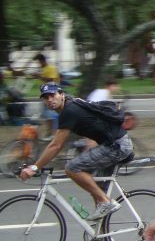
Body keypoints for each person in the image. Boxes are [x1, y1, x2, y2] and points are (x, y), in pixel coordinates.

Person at [19, 83, 132, 220]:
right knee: (97, 189)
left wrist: (34, 167)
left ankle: (106, 202)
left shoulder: (69, 111)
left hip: (116, 146)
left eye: (52, 95)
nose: (50, 100)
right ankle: (100, 231)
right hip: (113, 144)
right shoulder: (71, 104)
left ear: (61, 94)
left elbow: (56, 146)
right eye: (46, 97)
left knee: (72, 168)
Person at [36, 53, 61, 133]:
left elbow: (51, 80)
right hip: (45, 93)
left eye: (39, 62)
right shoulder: (44, 69)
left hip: (51, 93)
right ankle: (50, 132)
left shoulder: (51, 68)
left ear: (42, 61)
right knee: (47, 114)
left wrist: (39, 76)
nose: (39, 64)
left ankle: (54, 132)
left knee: (52, 113)